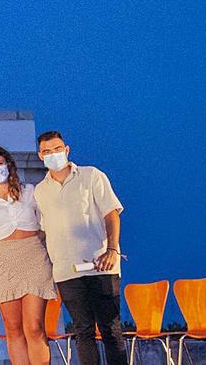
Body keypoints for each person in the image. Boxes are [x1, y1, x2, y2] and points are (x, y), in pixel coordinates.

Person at [32, 131, 126, 365]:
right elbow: (43, 231)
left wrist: (112, 249)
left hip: (101, 266)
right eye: (47, 151)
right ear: (40, 155)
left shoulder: (91, 175)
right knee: (83, 332)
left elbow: (111, 213)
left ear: (67, 150)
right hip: (66, 272)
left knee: (110, 330)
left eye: (57, 149)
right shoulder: (40, 191)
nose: (53, 154)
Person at [0, 146, 56, 365]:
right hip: (2, 265)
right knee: (13, 329)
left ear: (9, 164)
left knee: (35, 327)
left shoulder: (30, 191)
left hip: (34, 259)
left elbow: (49, 223)